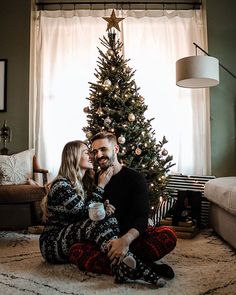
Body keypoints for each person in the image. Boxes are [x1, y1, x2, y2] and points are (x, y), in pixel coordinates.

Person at [39, 140, 166, 287]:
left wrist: (103, 208)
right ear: (74, 157)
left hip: (73, 237)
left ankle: (123, 265)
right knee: (97, 222)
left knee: (109, 219)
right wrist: (101, 186)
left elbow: (90, 211)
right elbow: (84, 214)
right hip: (52, 243)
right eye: (87, 152)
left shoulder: (82, 183)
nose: (93, 156)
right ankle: (142, 268)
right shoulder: (61, 185)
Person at [69, 132, 177, 279]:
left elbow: (142, 218)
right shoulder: (93, 180)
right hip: (104, 242)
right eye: (95, 152)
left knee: (168, 235)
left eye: (103, 149)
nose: (99, 155)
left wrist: (124, 241)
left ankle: (125, 262)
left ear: (116, 149)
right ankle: (142, 267)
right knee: (75, 250)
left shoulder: (135, 179)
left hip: (132, 238)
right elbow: (86, 215)